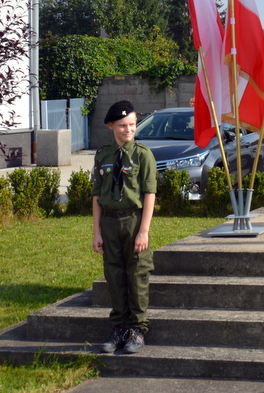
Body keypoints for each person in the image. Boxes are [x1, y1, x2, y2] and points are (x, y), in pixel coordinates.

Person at [92, 100, 157, 355]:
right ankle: (119, 327)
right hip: (109, 222)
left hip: (133, 220)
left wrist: (144, 231)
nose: (128, 129)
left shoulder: (142, 154)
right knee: (114, 276)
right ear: (111, 126)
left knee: (137, 275)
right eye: (122, 125)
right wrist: (96, 231)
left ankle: (137, 330)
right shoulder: (102, 155)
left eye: (131, 124)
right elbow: (97, 195)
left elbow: (149, 193)